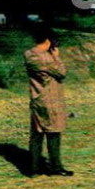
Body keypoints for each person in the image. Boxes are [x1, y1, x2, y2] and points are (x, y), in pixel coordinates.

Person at [23, 25, 73, 177]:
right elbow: (62, 73)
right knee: (54, 132)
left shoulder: (29, 54)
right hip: (51, 99)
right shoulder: (46, 57)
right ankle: (56, 167)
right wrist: (56, 56)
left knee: (37, 134)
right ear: (48, 40)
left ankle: (33, 169)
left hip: (37, 99)